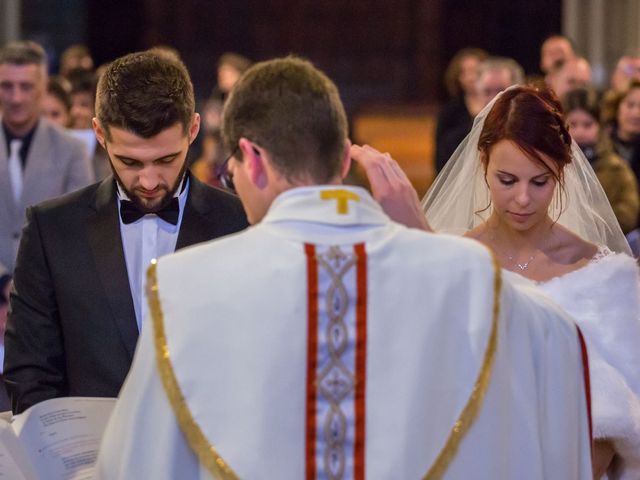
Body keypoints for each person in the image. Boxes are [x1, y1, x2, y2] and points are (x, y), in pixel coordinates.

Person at [96, 57, 591, 479]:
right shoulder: (497, 295)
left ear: (253, 157)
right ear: (340, 159)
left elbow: (139, 462)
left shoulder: (185, 291)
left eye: (235, 170)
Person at [366, 85, 640, 478]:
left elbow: (618, 430)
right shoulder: (452, 260)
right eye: (507, 180)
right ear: (483, 164)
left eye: (540, 182)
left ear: (561, 172)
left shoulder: (602, 277)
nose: (523, 199)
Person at [4, 51, 248, 414]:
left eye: (166, 160)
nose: (149, 182)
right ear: (99, 134)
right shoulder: (52, 229)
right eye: (130, 162)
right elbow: (30, 373)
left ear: (193, 130)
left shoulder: (241, 225)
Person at [0, 40, 93, 272]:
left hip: (48, 292)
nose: (16, 98)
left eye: (26, 86)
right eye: (7, 86)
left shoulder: (71, 149)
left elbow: (79, 226)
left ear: (43, 88)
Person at [563, 87, 639, 233]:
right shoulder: (551, 165)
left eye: (587, 125)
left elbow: (628, 215)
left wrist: (592, 220)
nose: (580, 132)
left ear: (599, 126)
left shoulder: (617, 169)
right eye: (572, 124)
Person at [434, 48, 488, 173]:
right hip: (459, 174)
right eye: (464, 73)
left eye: (476, 72)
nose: (471, 78)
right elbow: (440, 155)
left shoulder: (497, 106)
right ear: (457, 78)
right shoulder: (449, 111)